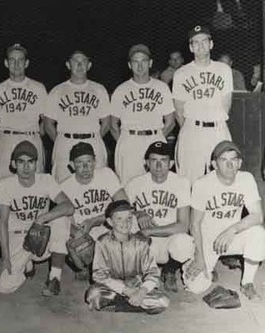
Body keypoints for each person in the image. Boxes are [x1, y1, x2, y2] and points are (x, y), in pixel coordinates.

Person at [184, 141, 265, 301]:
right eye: (223, 160)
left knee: (259, 233)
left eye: (233, 159)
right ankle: (208, 267)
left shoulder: (246, 179)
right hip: (208, 240)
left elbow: (258, 216)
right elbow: (194, 224)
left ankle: (247, 282)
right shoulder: (202, 184)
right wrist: (199, 258)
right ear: (214, 164)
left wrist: (231, 230)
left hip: (231, 237)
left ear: (239, 163)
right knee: (196, 286)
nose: (229, 165)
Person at [0, 140, 74, 296]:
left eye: (30, 162)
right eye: (21, 162)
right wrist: (5, 258)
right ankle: (27, 264)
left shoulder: (46, 180)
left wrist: (42, 218)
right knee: (3, 286)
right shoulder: (5, 184)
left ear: (36, 164)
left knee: (61, 219)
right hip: (17, 238)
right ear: (13, 164)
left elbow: (69, 206)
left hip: (41, 237)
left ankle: (54, 279)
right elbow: (2, 223)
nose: (26, 167)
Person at [125, 141, 194, 292]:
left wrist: (150, 231)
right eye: (154, 160)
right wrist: (138, 213)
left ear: (171, 163)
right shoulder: (135, 183)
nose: (158, 166)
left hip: (169, 238)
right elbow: (119, 214)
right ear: (146, 163)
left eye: (163, 161)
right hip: (146, 243)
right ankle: (149, 273)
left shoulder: (181, 183)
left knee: (185, 243)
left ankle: (169, 270)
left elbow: (183, 225)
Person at [172, 25, 233, 184]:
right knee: (190, 181)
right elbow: (179, 111)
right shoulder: (181, 73)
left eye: (204, 41)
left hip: (218, 128)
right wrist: (192, 127)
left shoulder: (224, 70)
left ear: (211, 44)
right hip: (192, 129)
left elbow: (226, 105)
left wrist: (213, 120)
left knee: (222, 179)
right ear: (191, 47)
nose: (200, 45)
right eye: (195, 42)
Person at [85, 200, 170, 314]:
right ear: (110, 222)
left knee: (163, 302)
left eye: (129, 218)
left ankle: (119, 305)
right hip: (113, 286)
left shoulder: (141, 242)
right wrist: (125, 290)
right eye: (119, 219)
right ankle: (134, 304)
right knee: (93, 295)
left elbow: (153, 272)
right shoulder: (102, 242)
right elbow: (99, 275)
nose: (125, 223)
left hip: (136, 285)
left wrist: (142, 291)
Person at [60, 142, 128, 279]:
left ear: (95, 162)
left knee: (128, 223)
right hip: (83, 234)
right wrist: (75, 232)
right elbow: (59, 221)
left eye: (89, 162)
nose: (85, 167)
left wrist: (95, 220)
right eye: (79, 163)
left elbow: (124, 204)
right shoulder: (64, 187)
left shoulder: (106, 174)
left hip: (107, 225)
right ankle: (84, 266)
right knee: (62, 235)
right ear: (72, 165)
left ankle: (100, 266)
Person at [110, 44, 175, 185]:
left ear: (150, 63)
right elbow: (113, 125)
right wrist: (125, 141)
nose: (140, 66)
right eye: (135, 61)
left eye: (143, 61)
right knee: (128, 185)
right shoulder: (121, 90)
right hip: (130, 140)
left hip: (154, 138)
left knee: (157, 186)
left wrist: (156, 137)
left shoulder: (161, 87)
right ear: (129, 65)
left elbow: (170, 122)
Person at [44, 50, 110, 183]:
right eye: (75, 61)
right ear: (68, 65)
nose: (79, 65)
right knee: (63, 186)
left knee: (97, 185)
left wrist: (93, 137)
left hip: (93, 141)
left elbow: (106, 123)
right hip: (65, 142)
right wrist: (61, 140)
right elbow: (48, 124)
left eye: (83, 61)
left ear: (89, 65)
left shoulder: (99, 89)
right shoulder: (57, 91)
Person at [0, 44, 47, 183]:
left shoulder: (39, 88)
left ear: (26, 63)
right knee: (4, 185)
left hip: (31, 137)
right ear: (6, 63)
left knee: (35, 184)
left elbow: (45, 120)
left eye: (20, 60)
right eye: (12, 60)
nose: (16, 64)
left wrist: (35, 134)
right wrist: (5, 137)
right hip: (6, 140)